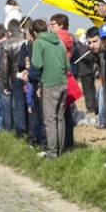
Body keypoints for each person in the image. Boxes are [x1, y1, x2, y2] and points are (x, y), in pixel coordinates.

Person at [31, 18, 70, 159]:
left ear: (35, 32)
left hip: (50, 83)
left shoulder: (38, 42)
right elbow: (68, 65)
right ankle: (59, 150)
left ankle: (52, 153)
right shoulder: (59, 41)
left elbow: (37, 63)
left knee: (49, 120)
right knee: (60, 118)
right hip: (63, 83)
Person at [0, 19, 27, 136]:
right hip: (28, 74)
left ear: (9, 31)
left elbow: (4, 66)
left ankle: (20, 131)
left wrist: (5, 84)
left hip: (15, 76)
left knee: (18, 104)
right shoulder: (26, 40)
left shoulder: (6, 44)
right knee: (29, 103)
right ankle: (30, 129)